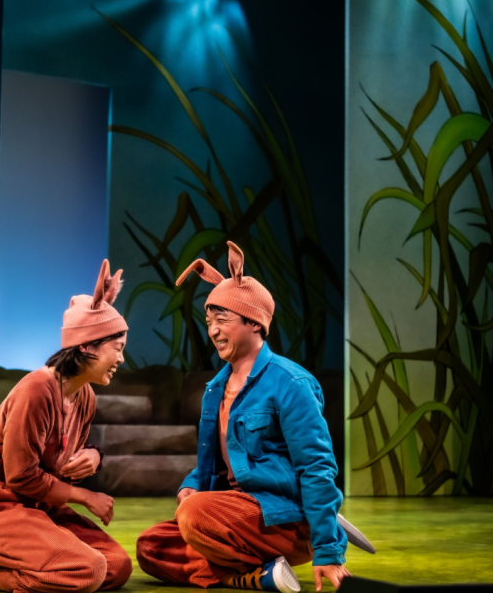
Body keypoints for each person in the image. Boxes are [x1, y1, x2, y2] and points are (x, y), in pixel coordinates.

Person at [136, 242, 373, 593]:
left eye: (222, 320)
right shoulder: (217, 387)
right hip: (237, 511)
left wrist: (328, 551)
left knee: (194, 516)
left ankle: (313, 530)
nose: (213, 330)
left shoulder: (290, 383)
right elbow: (223, 460)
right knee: (151, 546)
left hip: (282, 516)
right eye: (208, 321)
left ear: (254, 324)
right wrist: (192, 484)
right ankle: (255, 577)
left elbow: (316, 466)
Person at [0, 260, 133, 592]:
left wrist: (92, 456)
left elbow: (57, 467)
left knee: (116, 566)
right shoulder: (36, 390)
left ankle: (12, 562)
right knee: (87, 570)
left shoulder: (86, 399)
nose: (122, 359)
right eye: (118, 349)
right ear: (86, 346)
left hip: (36, 507)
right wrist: (84, 496)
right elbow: (21, 475)